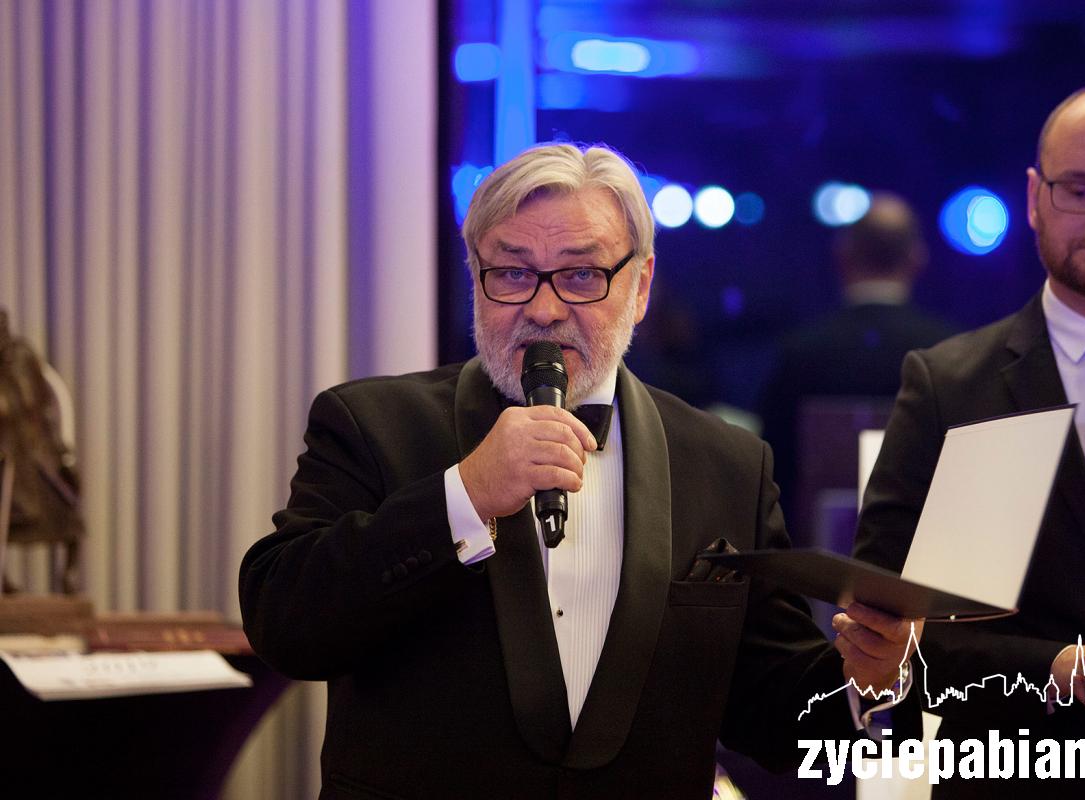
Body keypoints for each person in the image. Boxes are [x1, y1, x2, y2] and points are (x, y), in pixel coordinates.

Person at [240, 143, 921, 798]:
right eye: (512, 273)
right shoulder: (371, 424)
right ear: (475, 277)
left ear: (641, 286)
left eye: (581, 275)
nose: (543, 309)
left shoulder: (728, 464)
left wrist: (868, 677)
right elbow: (286, 625)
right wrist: (465, 495)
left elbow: (773, 711)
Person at [854, 83, 1085, 797]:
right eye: (1079, 190)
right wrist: (1058, 669)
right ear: (1036, 198)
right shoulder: (949, 386)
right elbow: (886, 633)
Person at [759, 193, 956, 535]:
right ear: (917, 258)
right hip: (923, 550)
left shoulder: (800, 353)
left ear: (842, 255)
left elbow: (770, 470)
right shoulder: (949, 351)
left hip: (808, 555)